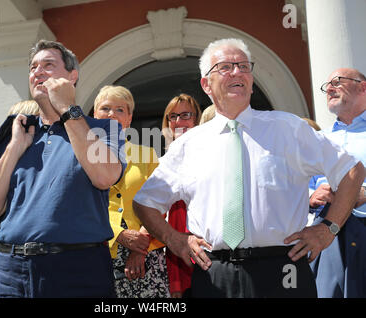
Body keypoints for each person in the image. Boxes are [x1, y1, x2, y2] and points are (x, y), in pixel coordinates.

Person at [132, 38, 365, 298]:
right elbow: (144, 202)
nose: (237, 72)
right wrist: (174, 239)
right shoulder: (188, 145)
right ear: (206, 84)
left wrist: (328, 229)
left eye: (244, 66)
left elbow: (351, 171)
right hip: (213, 273)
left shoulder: (288, 128)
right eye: (225, 67)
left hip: (284, 270)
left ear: (252, 81)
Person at [0, 40, 126, 298]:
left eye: (48, 65)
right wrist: (14, 148)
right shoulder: (16, 131)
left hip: (75, 270)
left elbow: (104, 176)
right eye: (33, 67)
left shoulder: (103, 129)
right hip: (9, 272)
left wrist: (66, 108)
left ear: (72, 77)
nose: (37, 72)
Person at [93, 85, 169, 298]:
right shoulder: (81, 157)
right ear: (94, 115)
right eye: (105, 108)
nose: (112, 114)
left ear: (129, 118)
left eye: (120, 110)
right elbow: (77, 206)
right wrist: (118, 234)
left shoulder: (147, 154)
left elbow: (160, 202)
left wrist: (139, 249)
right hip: (96, 252)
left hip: (144, 257)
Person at [309, 68, 366, 298]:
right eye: (326, 86)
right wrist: (312, 196)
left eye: (337, 82)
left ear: (362, 87)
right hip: (327, 233)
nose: (329, 88)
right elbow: (303, 186)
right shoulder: (320, 140)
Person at [161, 93, 201, 298]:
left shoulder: (211, 157)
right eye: (172, 116)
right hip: (175, 254)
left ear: (197, 119)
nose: (178, 121)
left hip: (208, 252)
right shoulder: (161, 164)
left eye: (185, 115)